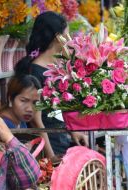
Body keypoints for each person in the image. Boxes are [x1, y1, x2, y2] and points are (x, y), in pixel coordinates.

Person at [15, 11, 88, 155]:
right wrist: (51, 156)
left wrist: (73, 133)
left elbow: (58, 110)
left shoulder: (55, 67)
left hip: (61, 141)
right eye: (67, 34)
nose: (70, 39)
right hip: (48, 147)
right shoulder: (35, 72)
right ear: (58, 37)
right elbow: (36, 122)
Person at [0, 74, 56, 159]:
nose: (30, 109)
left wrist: (39, 123)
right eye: (23, 101)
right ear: (10, 99)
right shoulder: (3, 125)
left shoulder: (20, 121)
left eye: (35, 103)